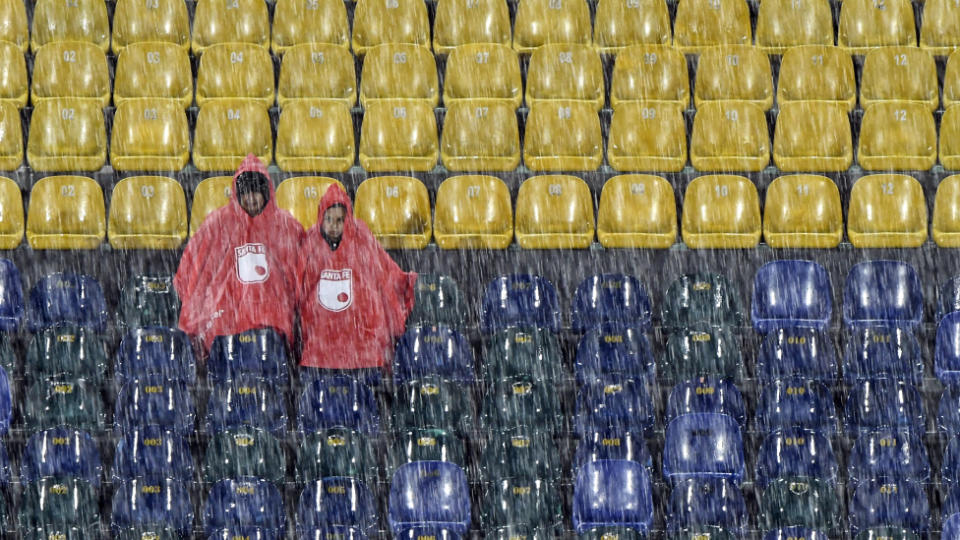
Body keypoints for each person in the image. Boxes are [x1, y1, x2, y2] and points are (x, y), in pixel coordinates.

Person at [174, 154, 304, 351]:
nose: (251, 200)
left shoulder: (286, 227)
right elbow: (194, 271)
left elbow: (301, 276)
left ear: (266, 192)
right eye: (246, 193)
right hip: (227, 312)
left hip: (270, 315)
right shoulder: (216, 224)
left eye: (256, 193)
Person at [297, 184, 417, 372]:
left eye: (339, 220)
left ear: (347, 220)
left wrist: (405, 283)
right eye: (329, 219)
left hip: (359, 335)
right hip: (323, 333)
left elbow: (382, 272)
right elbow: (302, 284)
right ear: (321, 218)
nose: (334, 226)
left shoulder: (362, 238)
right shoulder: (311, 242)